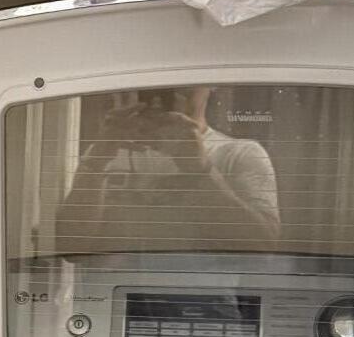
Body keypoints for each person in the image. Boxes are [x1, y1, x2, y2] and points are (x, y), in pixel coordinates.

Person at [57, 86, 281, 254]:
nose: (173, 87)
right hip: (115, 299)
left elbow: (263, 246)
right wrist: (98, 158)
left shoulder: (240, 153)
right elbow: (69, 247)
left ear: (214, 81)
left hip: (199, 302)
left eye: (188, 76)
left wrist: (200, 169)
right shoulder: (106, 153)